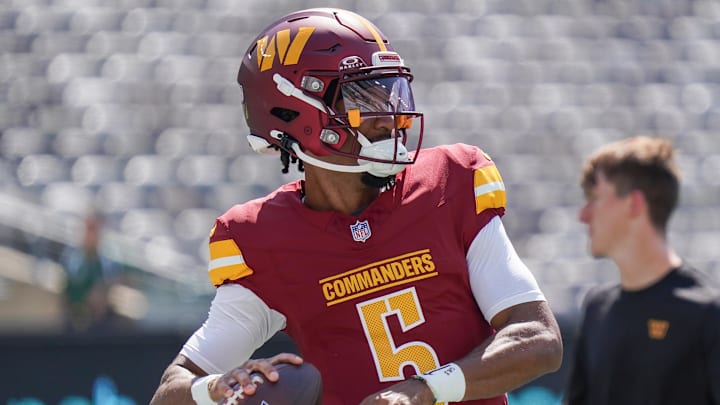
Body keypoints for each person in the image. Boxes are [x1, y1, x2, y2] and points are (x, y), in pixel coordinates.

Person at [150, 8, 562, 405]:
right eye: (366, 97)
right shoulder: (263, 239)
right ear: (297, 112)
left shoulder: (448, 183)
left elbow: (538, 338)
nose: (391, 117)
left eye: (391, 93)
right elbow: (172, 388)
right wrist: (215, 388)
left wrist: (427, 389)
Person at [564, 136, 720, 405]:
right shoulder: (596, 310)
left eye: (595, 198)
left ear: (634, 204)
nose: (583, 215)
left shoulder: (708, 315)